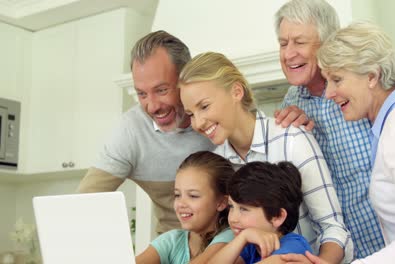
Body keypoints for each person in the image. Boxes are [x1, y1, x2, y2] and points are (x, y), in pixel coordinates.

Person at [274, 0, 395, 259]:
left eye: (299, 42)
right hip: (364, 249)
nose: (288, 54)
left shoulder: (381, 78)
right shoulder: (292, 104)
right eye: (283, 43)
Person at [179, 52, 353, 264]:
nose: (198, 122)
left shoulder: (291, 138)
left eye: (204, 106)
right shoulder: (218, 164)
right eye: (190, 114)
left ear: (236, 91)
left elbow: (332, 227)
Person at [77, 31, 215, 234]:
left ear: (187, 78)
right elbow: (82, 204)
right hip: (173, 248)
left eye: (161, 90)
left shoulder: (220, 115)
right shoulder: (130, 132)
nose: (152, 107)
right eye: (141, 94)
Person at [135, 151, 235, 263]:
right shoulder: (171, 240)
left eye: (193, 196)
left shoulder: (231, 236)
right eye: (177, 195)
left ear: (221, 202)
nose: (181, 204)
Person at [208, 161, 313, 264]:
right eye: (231, 206)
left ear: (277, 216)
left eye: (244, 209)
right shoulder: (251, 246)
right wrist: (242, 238)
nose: (232, 219)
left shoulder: (293, 247)